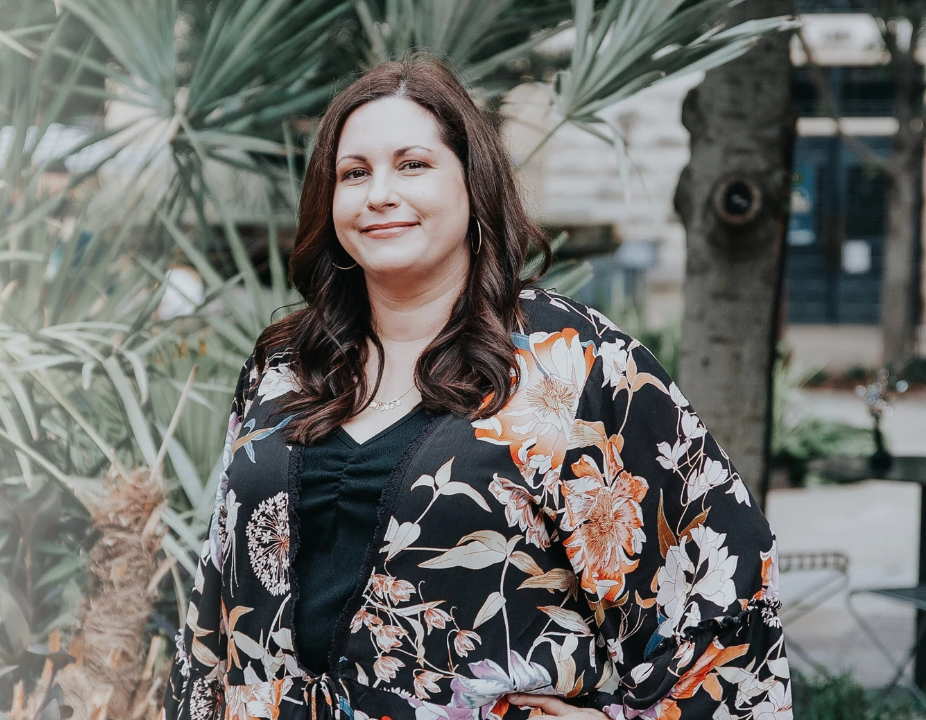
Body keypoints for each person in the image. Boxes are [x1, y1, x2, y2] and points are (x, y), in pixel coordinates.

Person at [161, 57, 790, 720]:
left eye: (413, 165)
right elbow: (215, 598)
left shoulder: (573, 362)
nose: (379, 194)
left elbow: (725, 578)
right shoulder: (287, 364)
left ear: (472, 182)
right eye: (354, 173)